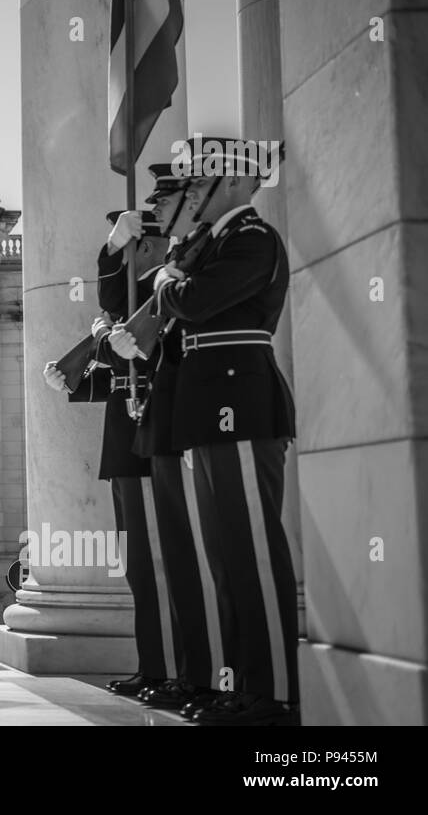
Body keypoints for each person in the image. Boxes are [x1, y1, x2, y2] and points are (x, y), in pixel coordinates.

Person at [124, 140, 298, 725]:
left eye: (199, 184)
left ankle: (274, 690)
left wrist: (169, 282)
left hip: (240, 401)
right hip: (210, 403)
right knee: (225, 554)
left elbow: (195, 303)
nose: (190, 193)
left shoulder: (252, 238)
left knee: (251, 548)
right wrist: (172, 280)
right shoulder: (215, 243)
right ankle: (242, 685)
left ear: (230, 181)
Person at [43, 205, 176, 698]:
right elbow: (124, 371)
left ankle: (178, 669)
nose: (124, 256)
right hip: (127, 439)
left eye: (130, 245)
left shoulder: (167, 292)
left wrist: (102, 335)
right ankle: (155, 667)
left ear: (154, 244)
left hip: (160, 435)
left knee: (167, 560)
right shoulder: (134, 305)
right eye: (120, 246)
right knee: (140, 564)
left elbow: (152, 361)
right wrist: (78, 382)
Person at [110, 163, 226, 719]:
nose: (137, 253)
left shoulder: (184, 268)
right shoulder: (162, 272)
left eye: (141, 241)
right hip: (149, 428)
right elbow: (119, 307)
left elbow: (171, 332)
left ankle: (195, 673)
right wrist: (111, 254)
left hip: (182, 421)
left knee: (179, 557)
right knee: (149, 563)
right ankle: (170, 669)